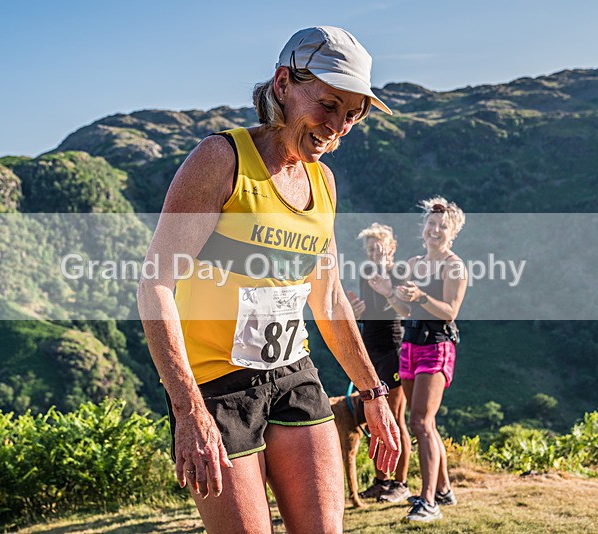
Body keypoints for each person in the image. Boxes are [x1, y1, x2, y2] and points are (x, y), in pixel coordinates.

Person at [136, 26, 401, 534]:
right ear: (283, 84)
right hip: (216, 389)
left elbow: (327, 299)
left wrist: (374, 394)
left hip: (293, 376)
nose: (337, 126)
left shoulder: (322, 182)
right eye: (327, 104)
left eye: (352, 114)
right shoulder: (221, 160)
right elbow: (156, 285)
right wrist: (188, 410)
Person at [381, 197, 468, 522]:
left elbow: (450, 312)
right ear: (424, 228)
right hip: (410, 344)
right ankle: (443, 491)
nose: (435, 229)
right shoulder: (415, 262)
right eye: (431, 224)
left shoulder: (454, 266)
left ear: (453, 232)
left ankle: (428, 502)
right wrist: (391, 294)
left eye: (443, 226)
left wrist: (421, 296)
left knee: (419, 422)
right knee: (424, 423)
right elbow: (405, 310)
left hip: (437, 345)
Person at [348, 223, 412, 503]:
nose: (376, 253)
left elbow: (406, 310)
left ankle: (401, 483)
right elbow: (370, 313)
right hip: (370, 347)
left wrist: (389, 292)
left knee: (396, 418)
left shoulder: (400, 273)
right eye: (371, 249)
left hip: (393, 348)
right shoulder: (367, 274)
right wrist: (355, 313)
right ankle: (380, 481)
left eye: (380, 247)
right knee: (375, 418)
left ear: (392, 248)